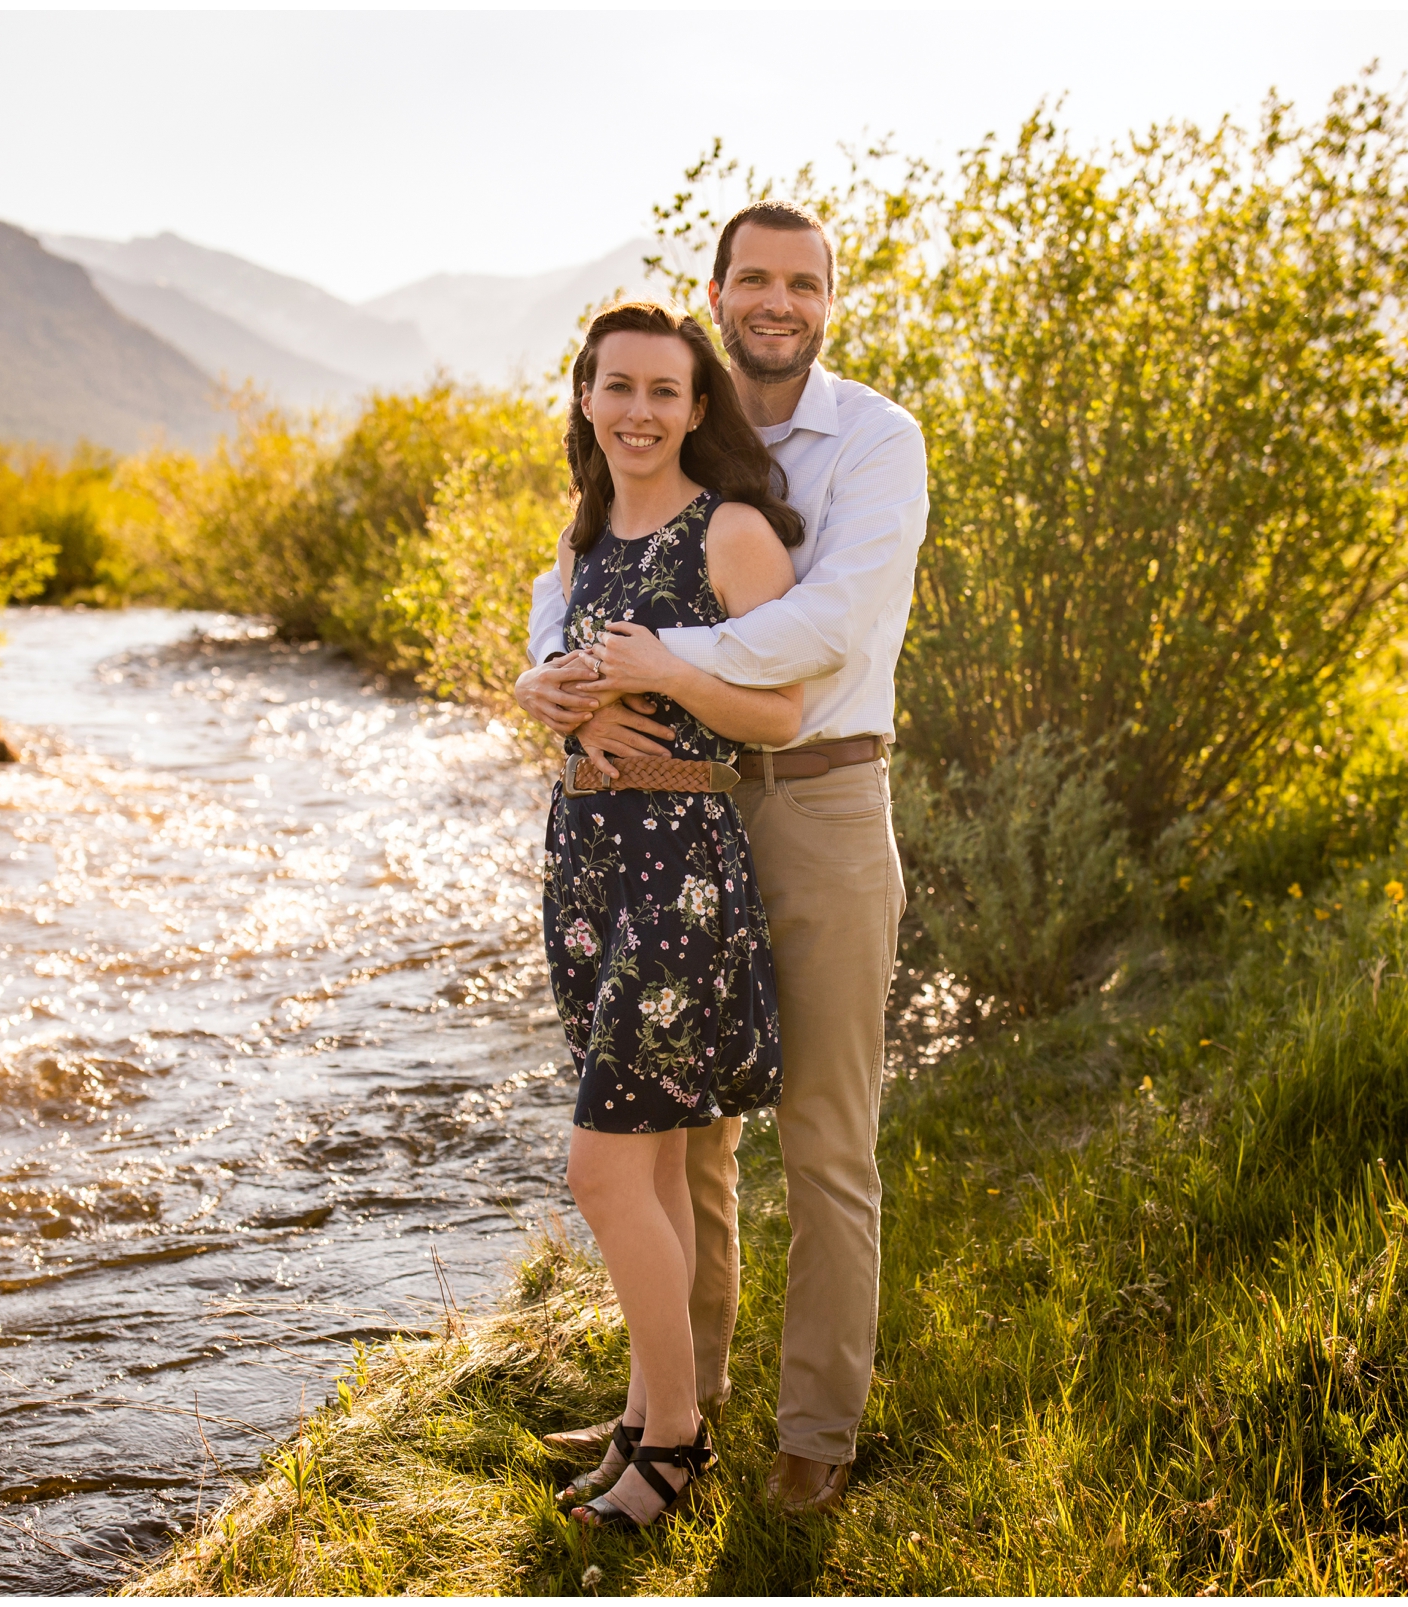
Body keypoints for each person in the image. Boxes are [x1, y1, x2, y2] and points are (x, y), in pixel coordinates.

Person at [517, 202, 928, 1515]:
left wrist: (658, 666)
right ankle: (675, 1403)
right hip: (672, 814)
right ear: (717, 288)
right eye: (753, 278)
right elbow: (579, 580)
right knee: (682, 1140)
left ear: (829, 300)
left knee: (824, 1137)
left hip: (815, 800)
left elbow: (831, 622)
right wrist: (560, 675)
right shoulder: (684, 436)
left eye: (802, 282)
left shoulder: (872, 439)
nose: (777, 300)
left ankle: (816, 1423)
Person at [539, 298, 810, 1529]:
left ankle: (682, 1440)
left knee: (602, 1174)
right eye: (618, 388)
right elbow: (555, 680)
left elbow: (782, 716)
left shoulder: (733, 534)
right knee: (638, 1173)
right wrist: (564, 703)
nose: (639, 411)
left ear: (699, 406)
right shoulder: (582, 540)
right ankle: (645, 1427)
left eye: (664, 390)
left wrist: (666, 673)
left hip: (678, 871)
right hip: (590, 861)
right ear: (587, 401)